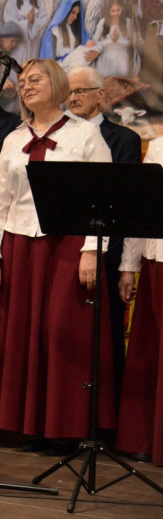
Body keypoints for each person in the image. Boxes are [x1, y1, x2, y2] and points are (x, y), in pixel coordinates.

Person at [0, 58, 115, 454]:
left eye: (35, 79)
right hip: (20, 243)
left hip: (68, 245)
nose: (26, 87)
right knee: (24, 334)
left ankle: (67, 425)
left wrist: (92, 250)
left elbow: (101, 200)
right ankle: (31, 424)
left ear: (57, 84)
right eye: (22, 82)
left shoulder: (86, 136)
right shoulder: (12, 138)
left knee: (62, 334)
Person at [67, 65, 142, 400]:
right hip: (62, 249)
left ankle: (103, 415)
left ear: (100, 95)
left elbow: (128, 204)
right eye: (68, 91)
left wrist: (125, 263)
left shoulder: (124, 139)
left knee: (103, 338)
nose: (72, 98)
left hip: (106, 253)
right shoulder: (60, 137)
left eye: (80, 91)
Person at [116, 137, 163, 465]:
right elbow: (142, 207)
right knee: (151, 352)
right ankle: (149, 436)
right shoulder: (159, 146)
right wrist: (129, 266)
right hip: (156, 259)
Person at [2, 0, 50, 64]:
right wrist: (26, 22)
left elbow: (44, 18)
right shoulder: (13, 0)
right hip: (19, 42)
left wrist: (34, 22)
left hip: (33, 42)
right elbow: (8, 21)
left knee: (31, 65)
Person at [91, 0, 141, 79]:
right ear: (109, 11)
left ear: (122, 9)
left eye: (118, 10)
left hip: (122, 59)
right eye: (113, 11)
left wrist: (119, 41)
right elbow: (95, 41)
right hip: (106, 59)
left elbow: (133, 42)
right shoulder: (103, 22)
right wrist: (111, 41)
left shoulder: (128, 22)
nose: (115, 13)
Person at [39, 0, 88, 67]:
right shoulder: (53, 31)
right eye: (73, 13)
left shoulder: (74, 30)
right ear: (66, 10)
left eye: (77, 14)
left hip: (75, 66)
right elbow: (47, 58)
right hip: (60, 68)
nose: (75, 17)